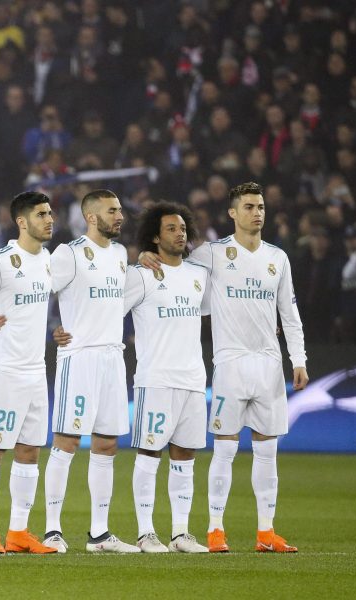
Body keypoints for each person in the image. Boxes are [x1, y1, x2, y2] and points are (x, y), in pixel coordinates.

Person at [140, 182, 308, 553]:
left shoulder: (277, 258)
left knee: (268, 451)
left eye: (261, 206)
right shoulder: (212, 254)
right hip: (230, 363)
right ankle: (216, 529)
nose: (257, 212)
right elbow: (173, 266)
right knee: (225, 449)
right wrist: (144, 257)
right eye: (249, 206)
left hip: (268, 364)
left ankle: (266, 533)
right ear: (233, 213)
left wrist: (299, 359)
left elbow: (289, 313)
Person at [45, 189, 139, 553]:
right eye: (112, 211)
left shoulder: (119, 254)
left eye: (120, 210)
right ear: (91, 216)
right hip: (79, 357)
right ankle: (53, 529)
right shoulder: (68, 253)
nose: (120, 216)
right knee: (67, 441)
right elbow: (40, 292)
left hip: (113, 359)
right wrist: (49, 330)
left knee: (107, 443)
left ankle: (99, 534)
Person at [0, 191, 58, 555]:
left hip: (36, 370)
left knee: (30, 452)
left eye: (50, 213)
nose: (50, 219)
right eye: (41, 214)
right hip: (3, 369)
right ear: (22, 222)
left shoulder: (49, 259)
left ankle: (18, 532)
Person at [122, 202, 210, 553]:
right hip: (155, 378)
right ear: (155, 236)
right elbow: (109, 310)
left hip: (192, 379)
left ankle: (180, 534)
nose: (180, 233)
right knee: (149, 453)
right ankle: (145, 532)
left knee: (185, 456)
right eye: (171, 229)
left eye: (183, 228)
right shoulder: (140, 275)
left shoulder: (198, 275)